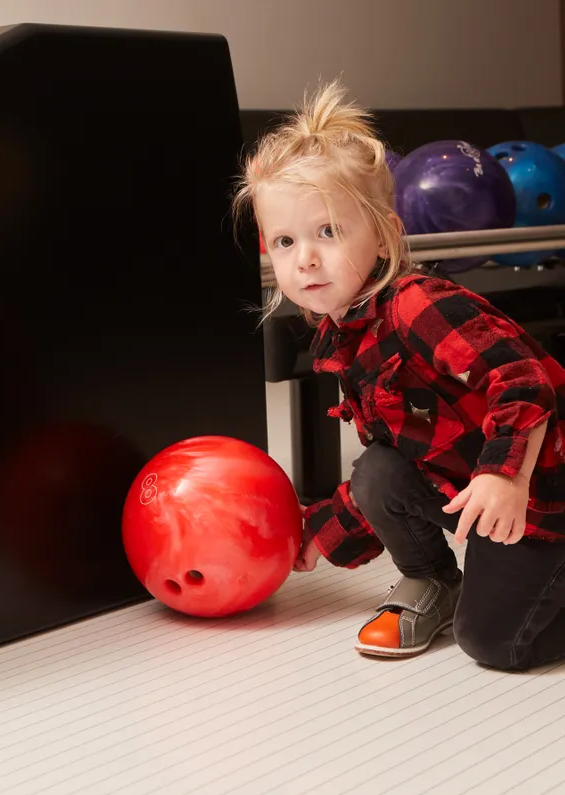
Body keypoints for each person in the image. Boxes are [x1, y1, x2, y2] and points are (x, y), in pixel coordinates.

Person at [233, 80, 565, 671]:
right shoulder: (343, 330)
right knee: (378, 470)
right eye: (285, 241)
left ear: (382, 234)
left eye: (328, 231)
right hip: (484, 491)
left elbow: (524, 381)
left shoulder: (418, 306)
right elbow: (399, 450)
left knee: (495, 644)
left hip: (545, 495)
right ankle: (434, 580)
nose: (304, 257)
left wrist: (504, 476)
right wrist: (316, 536)